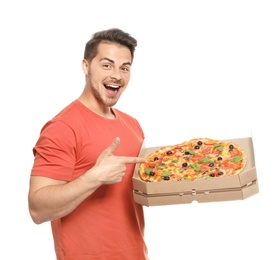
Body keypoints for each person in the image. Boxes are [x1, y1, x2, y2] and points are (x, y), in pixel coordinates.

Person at [28, 28, 149, 260]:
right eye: (107, 65)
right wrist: (94, 177)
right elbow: (37, 209)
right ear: (86, 66)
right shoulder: (62, 127)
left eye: (125, 67)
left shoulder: (133, 125)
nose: (117, 75)